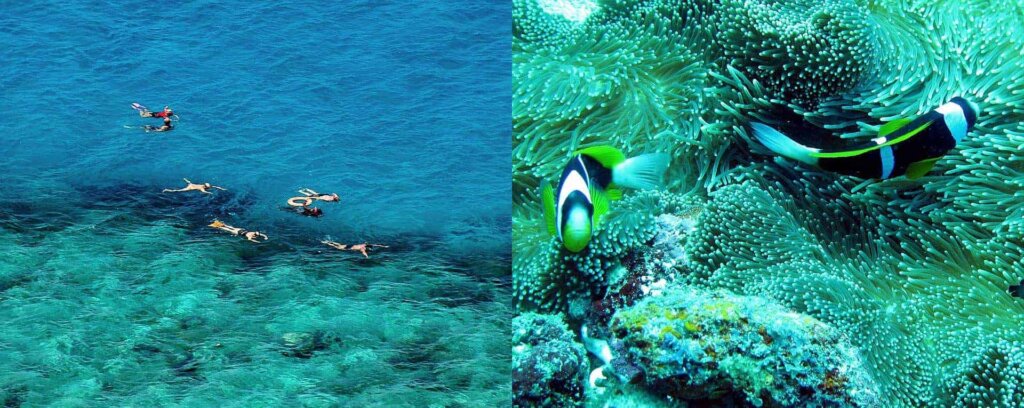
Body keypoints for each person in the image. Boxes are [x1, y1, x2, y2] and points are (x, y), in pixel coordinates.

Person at [322, 240, 387, 258]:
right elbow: (363, 253)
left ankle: (329, 241)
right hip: (349, 248)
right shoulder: (363, 248)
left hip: (350, 245)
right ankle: (327, 243)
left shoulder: (365, 245)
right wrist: (367, 256)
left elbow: (376, 245)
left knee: (339, 245)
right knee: (337, 247)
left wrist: (384, 246)